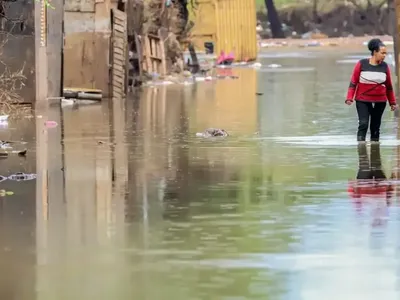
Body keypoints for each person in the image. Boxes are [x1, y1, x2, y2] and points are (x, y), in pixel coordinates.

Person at [345, 38, 398, 142]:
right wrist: (349, 98)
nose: (384, 55)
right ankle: (362, 151)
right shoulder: (361, 64)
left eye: (385, 53)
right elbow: (353, 83)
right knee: (363, 124)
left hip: (380, 101)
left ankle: (375, 154)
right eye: (382, 53)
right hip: (363, 100)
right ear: (375, 52)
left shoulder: (385, 66)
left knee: (375, 127)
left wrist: (392, 102)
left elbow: (389, 86)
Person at [348, 143, 393, 226]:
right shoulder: (366, 213)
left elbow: (389, 196)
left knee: (371, 159)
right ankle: (372, 144)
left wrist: (351, 185)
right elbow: (389, 196)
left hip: (371, 186)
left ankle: (366, 143)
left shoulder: (365, 214)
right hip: (376, 186)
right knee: (366, 159)